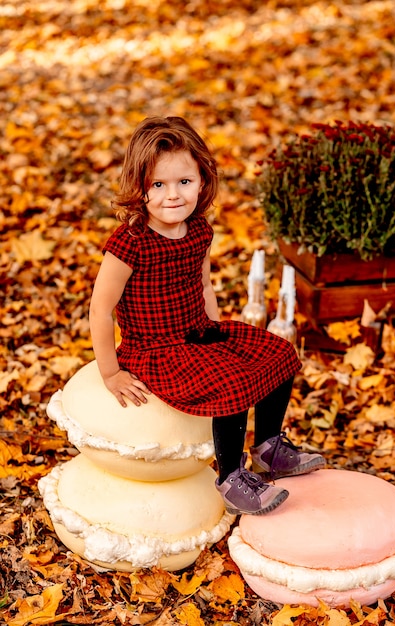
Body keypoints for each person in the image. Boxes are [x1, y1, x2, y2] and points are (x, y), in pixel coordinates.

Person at [89, 116, 325, 516]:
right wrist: (110, 372)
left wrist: (217, 332)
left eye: (184, 181)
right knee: (230, 383)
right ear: (139, 188)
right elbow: (100, 307)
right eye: (158, 185)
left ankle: (268, 447)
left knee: (279, 353)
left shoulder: (199, 230)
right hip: (155, 349)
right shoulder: (131, 242)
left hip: (197, 332)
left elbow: (203, 285)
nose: (173, 195)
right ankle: (231, 476)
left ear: (202, 180)